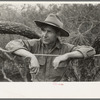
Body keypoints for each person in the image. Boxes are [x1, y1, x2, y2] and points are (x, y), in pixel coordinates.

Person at [5, 13, 96, 82]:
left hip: (56, 90)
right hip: (36, 89)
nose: (44, 35)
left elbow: (90, 50)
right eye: (43, 30)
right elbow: (11, 45)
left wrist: (67, 56)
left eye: (49, 31)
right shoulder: (34, 44)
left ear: (58, 34)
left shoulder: (65, 48)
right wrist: (31, 56)